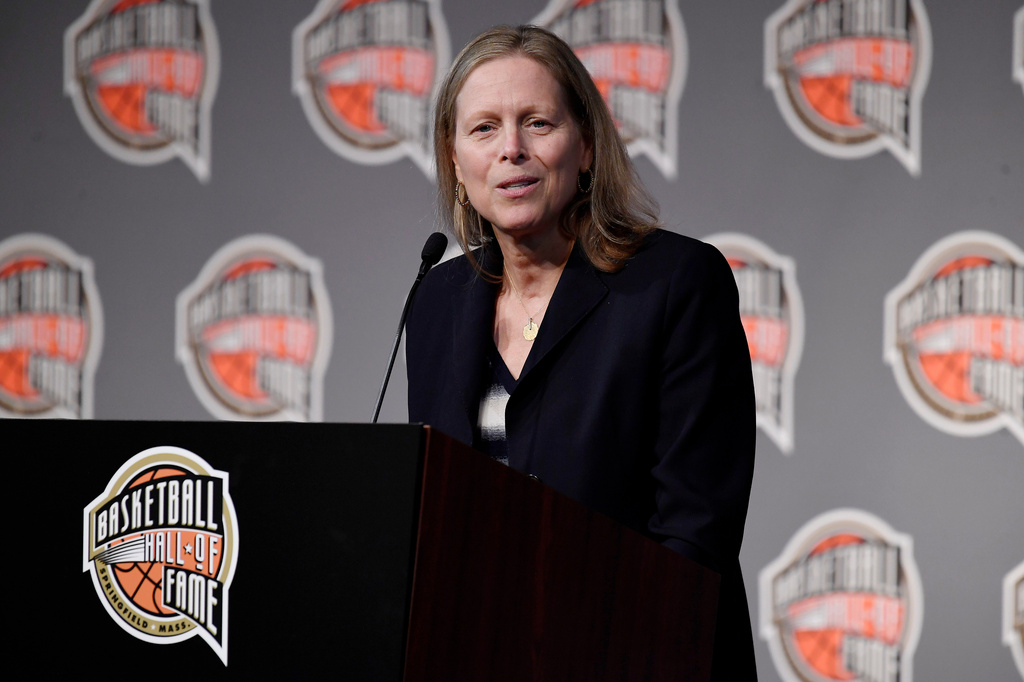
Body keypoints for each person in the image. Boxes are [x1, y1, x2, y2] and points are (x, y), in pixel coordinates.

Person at [406, 25, 756, 679]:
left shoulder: (676, 283)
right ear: (455, 161)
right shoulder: (438, 301)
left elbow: (694, 533)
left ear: (587, 144)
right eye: (483, 129)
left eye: (537, 122)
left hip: (644, 659)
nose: (511, 150)